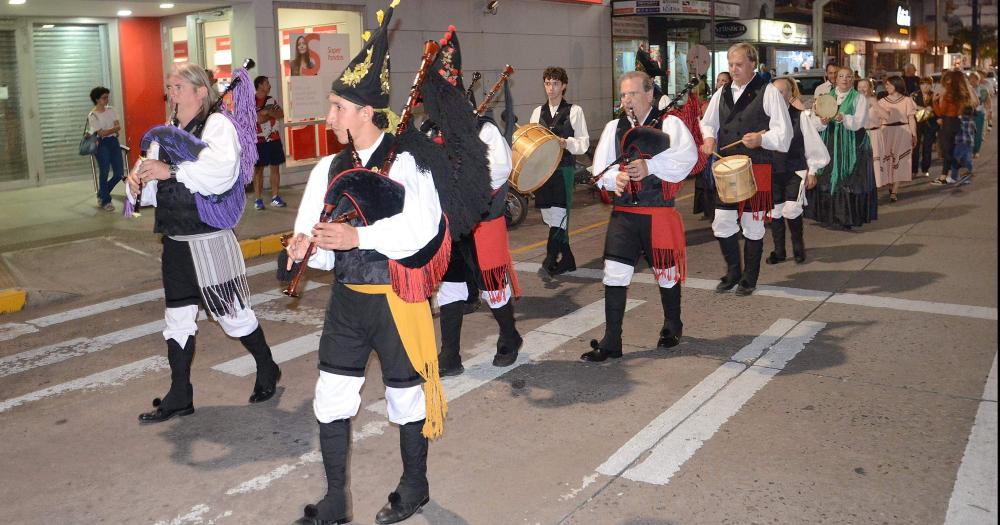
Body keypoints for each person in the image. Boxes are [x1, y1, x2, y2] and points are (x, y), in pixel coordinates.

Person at [286, 5, 450, 524]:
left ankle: (414, 484)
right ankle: (337, 498)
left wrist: (360, 233)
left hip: (397, 302)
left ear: (365, 111)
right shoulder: (329, 167)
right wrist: (304, 247)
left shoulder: (406, 160)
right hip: (346, 303)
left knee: (406, 399)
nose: (329, 117)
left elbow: (423, 230)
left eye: (337, 107)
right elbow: (314, 229)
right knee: (331, 394)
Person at [126, 63, 281, 424]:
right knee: (177, 317)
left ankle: (267, 365)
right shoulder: (168, 131)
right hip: (176, 240)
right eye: (169, 87)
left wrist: (172, 170)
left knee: (233, 315)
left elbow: (221, 173)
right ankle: (180, 394)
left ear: (199, 91)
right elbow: (153, 182)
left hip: (209, 241)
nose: (172, 93)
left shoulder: (217, 125)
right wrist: (139, 182)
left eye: (178, 86)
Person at [581, 70, 698, 362]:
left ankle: (673, 324)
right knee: (614, 274)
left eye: (632, 94)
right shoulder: (614, 127)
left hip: (657, 210)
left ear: (649, 94)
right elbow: (600, 170)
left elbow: (689, 158)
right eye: (622, 95)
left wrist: (651, 167)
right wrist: (614, 180)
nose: (626, 100)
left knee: (666, 273)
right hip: (624, 214)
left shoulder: (670, 123)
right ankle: (612, 341)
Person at [431, 26, 523, 376]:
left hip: (484, 222)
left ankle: (510, 336)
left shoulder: (484, 131)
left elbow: (499, 173)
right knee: (451, 286)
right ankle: (450, 355)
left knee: (493, 287)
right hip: (454, 226)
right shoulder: (434, 135)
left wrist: (466, 166)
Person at [699, 43, 792, 296]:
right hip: (728, 165)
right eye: (730, 65)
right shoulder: (722, 92)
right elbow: (707, 123)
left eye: (739, 64)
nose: (733, 69)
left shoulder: (768, 91)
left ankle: (750, 278)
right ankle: (733, 271)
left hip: (757, 166)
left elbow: (785, 134)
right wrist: (708, 139)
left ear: (753, 64)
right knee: (721, 222)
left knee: (753, 224)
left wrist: (763, 140)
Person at [529, 66, 590, 275]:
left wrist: (567, 142)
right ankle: (568, 259)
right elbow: (532, 144)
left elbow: (584, 143)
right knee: (549, 216)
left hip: (563, 170)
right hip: (543, 173)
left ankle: (550, 256)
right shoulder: (538, 112)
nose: (551, 88)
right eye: (547, 83)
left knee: (559, 215)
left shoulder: (575, 110)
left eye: (555, 83)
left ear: (563, 86)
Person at [805, 67, 878, 229]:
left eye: (848, 77)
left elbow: (859, 122)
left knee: (848, 178)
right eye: (841, 76)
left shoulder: (859, 98)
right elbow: (814, 121)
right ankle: (826, 216)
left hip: (851, 144)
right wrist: (821, 122)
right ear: (835, 79)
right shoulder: (825, 98)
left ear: (853, 79)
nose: (845, 79)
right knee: (827, 176)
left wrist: (843, 117)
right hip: (830, 141)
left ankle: (846, 218)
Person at [767, 77, 829, 264]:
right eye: (774, 92)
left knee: (792, 209)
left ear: (790, 94)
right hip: (772, 171)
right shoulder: (763, 118)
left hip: (795, 169)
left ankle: (798, 247)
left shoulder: (800, 116)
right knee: (775, 211)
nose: (777, 95)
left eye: (781, 91)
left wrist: (813, 171)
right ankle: (779, 251)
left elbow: (812, 144)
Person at [876, 76, 917, 202]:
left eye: (889, 84)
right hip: (886, 131)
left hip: (903, 131)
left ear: (896, 85)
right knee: (887, 160)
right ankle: (890, 184)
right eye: (886, 85)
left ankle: (894, 191)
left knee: (901, 159)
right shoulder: (882, 101)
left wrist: (914, 134)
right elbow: (876, 119)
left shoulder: (907, 100)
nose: (886, 87)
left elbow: (911, 118)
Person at [930, 70, 975, 186]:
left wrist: (934, 101)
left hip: (948, 123)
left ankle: (962, 170)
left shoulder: (948, 93)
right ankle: (944, 176)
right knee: (950, 151)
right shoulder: (962, 92)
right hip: (958, 123)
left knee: (947, 151)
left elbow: (941, 112)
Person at [252, 75, 287, 210]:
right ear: (260, 85)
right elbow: (258, 120)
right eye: (267, 83)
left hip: (274, 138)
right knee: (258, 170)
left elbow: (281, 114)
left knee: (275, 167)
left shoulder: (271, 99)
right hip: (257, 140)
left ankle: (275, 197)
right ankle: (258, 199)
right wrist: (269, 112)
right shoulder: (250, 101)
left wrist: (266, 113)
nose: (269, 86)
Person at [88, 87, 124, 211]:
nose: (106, 100)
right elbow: (102, 133)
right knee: (104, 172)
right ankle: (106, 201)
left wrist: (111, 130)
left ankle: (102, 194)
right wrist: (113, 130)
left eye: (107, 97)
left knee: (119, 173)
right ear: (97, 99)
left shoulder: (111, 110)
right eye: (104, 97)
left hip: (113, 142)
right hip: (102, 144)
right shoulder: (93, 115)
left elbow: (118, 126)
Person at [856, 78, 885, 195]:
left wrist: (874, 105)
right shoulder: (854, 101)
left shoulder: (875, 101)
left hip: (873, 133)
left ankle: (875, 190)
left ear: (870, 88)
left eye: (865, 86)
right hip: (860, 135)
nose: (862, 89)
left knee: (875, 163)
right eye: (859, 87)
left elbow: (886, 116)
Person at [911, 76, 938, 178]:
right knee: (915, 147)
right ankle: (913, 170)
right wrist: (926, 109)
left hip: (930, 124)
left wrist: (924, 109)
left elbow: (936, 109)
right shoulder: (914, 95)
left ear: (931, 85)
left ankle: (925, 168)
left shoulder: (935, 95)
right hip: (916, 124)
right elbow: (911, 107)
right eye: (922, 84)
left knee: (927, 147)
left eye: (927, 84)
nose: (925, 86)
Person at [950, 107, 976, 184]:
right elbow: (974, 131)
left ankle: (954, 177)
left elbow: (955, 130)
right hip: (969, 144)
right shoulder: (972, 122)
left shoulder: (959, 121)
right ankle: (967, 177)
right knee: (968, 160)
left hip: (959, 143)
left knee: (956, 159)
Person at [969, 71, 990, 158]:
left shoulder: (983, 89)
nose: (972, 81)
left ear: (978, 80)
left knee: (978, 133)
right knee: (969, 133)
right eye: (971, 79)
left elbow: (987, 101)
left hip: (979, 113)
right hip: (969, 114)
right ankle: (970, 150)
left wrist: (989, 112)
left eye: (974, 79)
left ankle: (976, 150)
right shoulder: (967, 89)